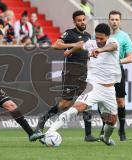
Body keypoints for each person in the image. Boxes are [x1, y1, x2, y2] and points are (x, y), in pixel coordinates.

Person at [44, 23, 121, 146]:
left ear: (108, 36)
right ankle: (50, 131)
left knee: (112, 121)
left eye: (102, 38)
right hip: (94, 86)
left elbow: (112, 46)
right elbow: (80, 45)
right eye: (97, 38)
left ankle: (105, 138)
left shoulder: (113, 42)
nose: (99, 41)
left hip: (109, 90)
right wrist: (69, 51)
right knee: (76, 108)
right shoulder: (91, 43)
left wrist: (100, 49)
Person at [35, 10, 98, 142]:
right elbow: (56, 45)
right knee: (65, 103)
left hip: (84, 73)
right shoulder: (69, 33)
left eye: (83, 19)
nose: (82, 22)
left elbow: (86, 52)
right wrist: (74, 44)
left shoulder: (88, 36)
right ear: (74, 22)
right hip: (71, 72)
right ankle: (42, 121)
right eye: (79, 20)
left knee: (87, 102)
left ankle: (88, 134)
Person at [99, 10, 132, 141]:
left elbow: (131, 57)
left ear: (120, 21)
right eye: (112, 19)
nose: (114, 21)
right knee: (102, 101)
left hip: (117, 71)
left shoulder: (124, 36)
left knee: (120, 101)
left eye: (116, 19)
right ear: (108, 20)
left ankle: (122, 130)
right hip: (102, 71)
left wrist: (117, 61)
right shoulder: (101, 35)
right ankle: (104, 127)